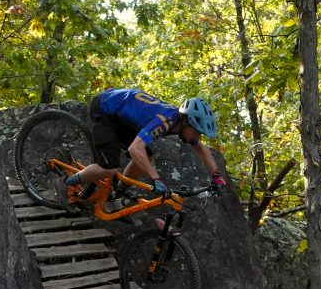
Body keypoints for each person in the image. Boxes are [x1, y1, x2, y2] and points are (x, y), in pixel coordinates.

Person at [66, 88, 227, 205]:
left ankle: (118, 192)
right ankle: (66, 183)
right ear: (186, 122)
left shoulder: (180, 123)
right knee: (109, 169)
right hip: (105, 109)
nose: (197, 137)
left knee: (146, 158)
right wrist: (156, 179)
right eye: (197, 132)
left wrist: (216, 175)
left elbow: (199, 147)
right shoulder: (165, 121)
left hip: (122, 117)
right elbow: (135, 149)